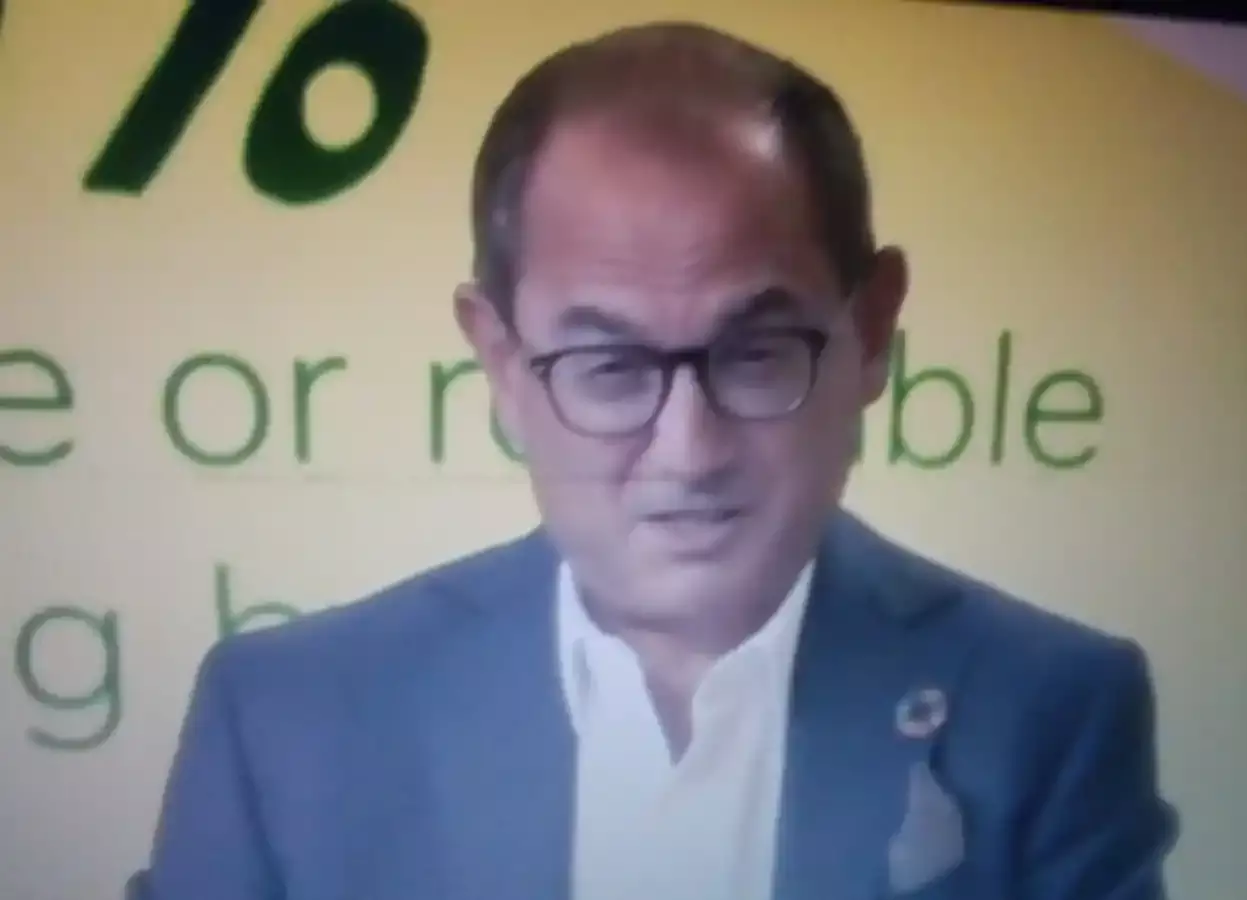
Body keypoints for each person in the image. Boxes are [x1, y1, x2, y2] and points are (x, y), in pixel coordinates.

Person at [128, 20, 1178, 900]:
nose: (689, 452)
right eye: (610, 367)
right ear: (501, 361)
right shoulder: (283, 722)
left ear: (870, 331)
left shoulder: (1052, 710)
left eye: (757, 354)